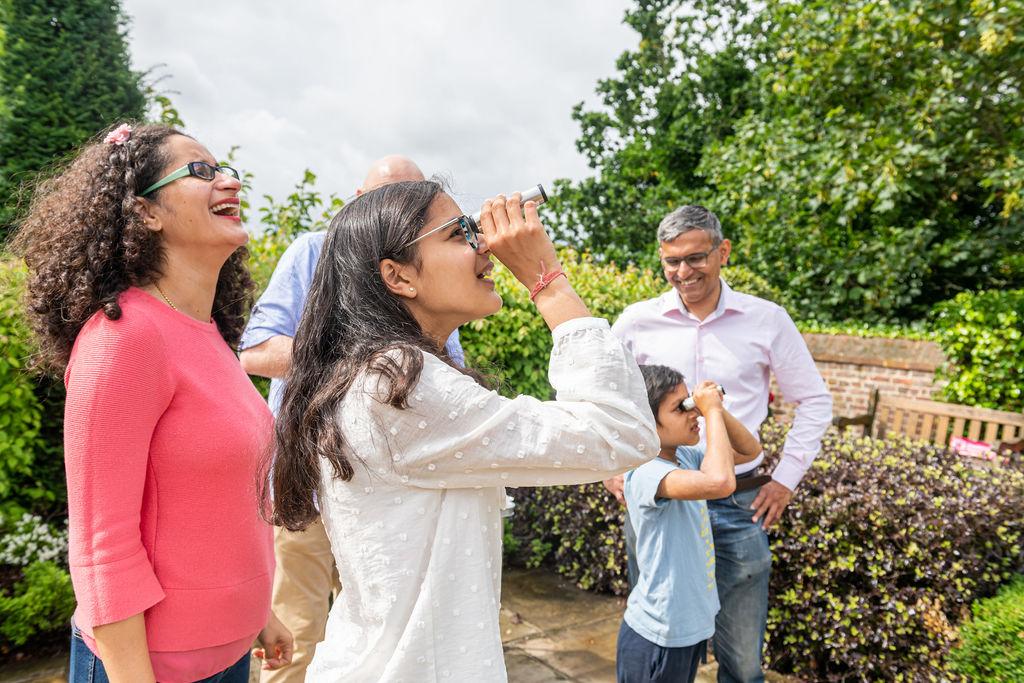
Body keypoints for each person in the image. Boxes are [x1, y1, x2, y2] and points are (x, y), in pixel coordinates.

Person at [267, 181, 659, 681]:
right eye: (460, 233)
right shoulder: (398, 384)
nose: (486, 246)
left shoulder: (367, 373)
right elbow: (621, 432)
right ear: (398, 276)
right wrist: (548, 281)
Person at [12, 122, 292, 683]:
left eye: (227, 171)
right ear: (145, 213)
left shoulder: (209, 333)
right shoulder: (124, 336)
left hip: (233, 653)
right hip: (152, 668)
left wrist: (262, 613)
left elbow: (217, 504)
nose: (229, 183)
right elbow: (102, 546)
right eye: (202, 171)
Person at [238, 155, 461, 683]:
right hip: (309, 489)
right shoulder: (313, 252)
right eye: (384, 198)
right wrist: (365, 365)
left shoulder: (430, 270)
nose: (400, 212)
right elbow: (256, 350)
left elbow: (450, 370)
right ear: (356, 202)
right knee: (295, 636)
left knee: (381, 640)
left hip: (393, 494)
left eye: (416, 201)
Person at [606, 205, 832, 682]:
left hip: (739, 500)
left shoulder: (766, 319)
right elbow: (601, 396)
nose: (682, 272)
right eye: (671, 261)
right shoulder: (636, 321)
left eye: (695, 258)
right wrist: (609, 467)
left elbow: (813, 400)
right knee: (665, 632)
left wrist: (786, 480)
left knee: (743, 660)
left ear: (722, 252)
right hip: (665, 496)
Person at [618, 365, 761, 683]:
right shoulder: (646, 472)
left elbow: (748, 451)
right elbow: (721, 482)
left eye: (689, 404)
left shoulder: (684, 456)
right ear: (645, 421)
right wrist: (709, 411)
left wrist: (715, 410)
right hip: (658, 635)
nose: (692, 413)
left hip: (688, 628)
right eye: (679, 408)